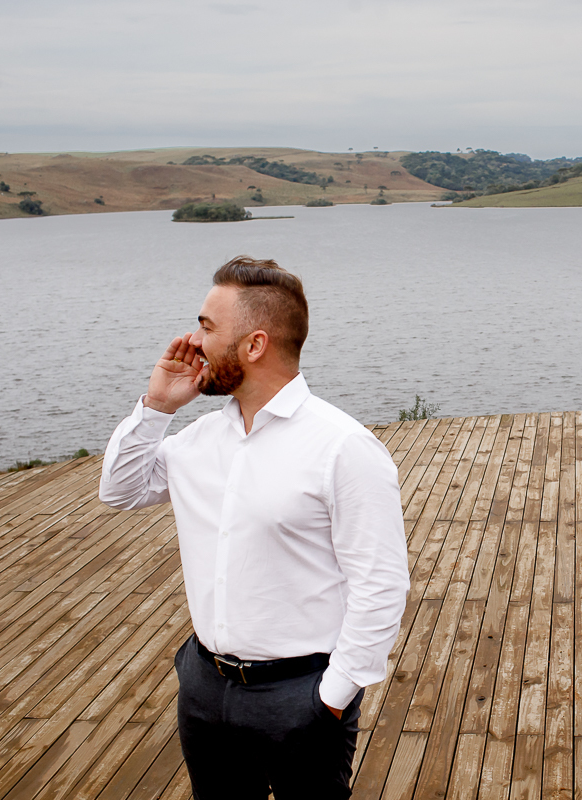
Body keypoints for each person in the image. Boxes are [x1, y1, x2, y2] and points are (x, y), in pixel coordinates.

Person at [99, 256, 410, 799]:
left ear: (254, 345)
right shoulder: (198, 442)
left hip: (302, 694)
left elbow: (380, 585)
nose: (193, 343)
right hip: (203, 685)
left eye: (206, 327)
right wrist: (158, 406)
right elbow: (120, 490)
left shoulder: (343, 448)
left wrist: (332, 698)